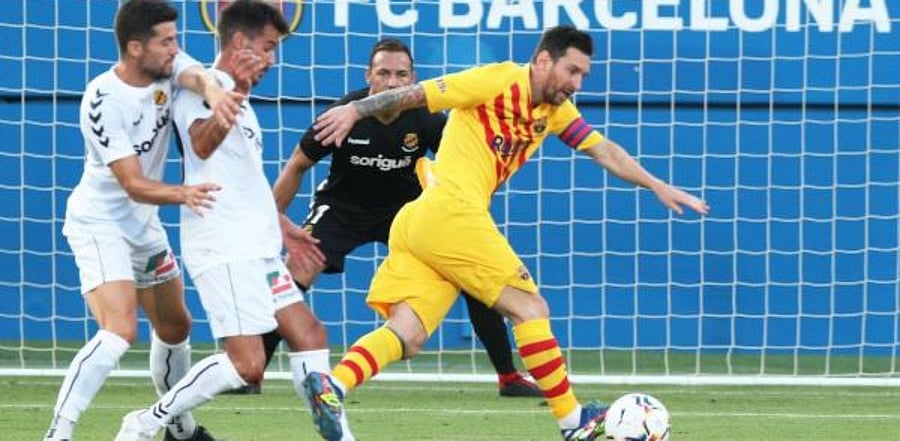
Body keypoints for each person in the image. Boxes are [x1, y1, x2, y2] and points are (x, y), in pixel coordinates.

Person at [303, 25, 710, 441]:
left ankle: (332, 386)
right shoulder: (496, 79)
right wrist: (356, 110)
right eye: (572, 71)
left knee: (408, 332)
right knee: (530, 308)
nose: (576, 83)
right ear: (544, 61)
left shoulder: (554, 112)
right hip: (450, 212)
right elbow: (416, 94)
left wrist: (657, 184)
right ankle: (572, 422)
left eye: (583, 76)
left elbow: (603, 149)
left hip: (423, 219)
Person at [247, 37, 541, 399]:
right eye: (383, 73)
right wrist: (270, 221)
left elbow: (467, 164)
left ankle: (508, 377)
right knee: (299, 267)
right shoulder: (344, 114)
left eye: (401, 75)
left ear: (413, 79)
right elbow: (297, 164)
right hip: (343, 207)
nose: (391, 82)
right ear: (368, 75)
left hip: (408, 213)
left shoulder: (429, 119)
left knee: (470, 272)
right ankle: (252, 371)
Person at [112, 1, 352, 440]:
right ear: (240, 43)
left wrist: (281, 224)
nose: (273, 59)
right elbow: (201, 145)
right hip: (224, 247)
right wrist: (234, 91)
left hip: (257, 248)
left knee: (311, 334)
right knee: (247, 365)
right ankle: (146, 423)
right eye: (268, 47)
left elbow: (244, 178)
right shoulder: (201, 88)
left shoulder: (238, 97)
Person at [42, 1, 248, 440]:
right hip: (101, 224)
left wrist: (212, 92)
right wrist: (185, 194)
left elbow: (195, 75)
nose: (175, 48)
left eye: (175, 39)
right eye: (166, 41)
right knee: (119, 331)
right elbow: (133, 183)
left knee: (176, 326)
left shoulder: (166, 67)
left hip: (143, 226)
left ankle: (179, 428)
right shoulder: (101, 100)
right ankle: (58, 432)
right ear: (136, 48)